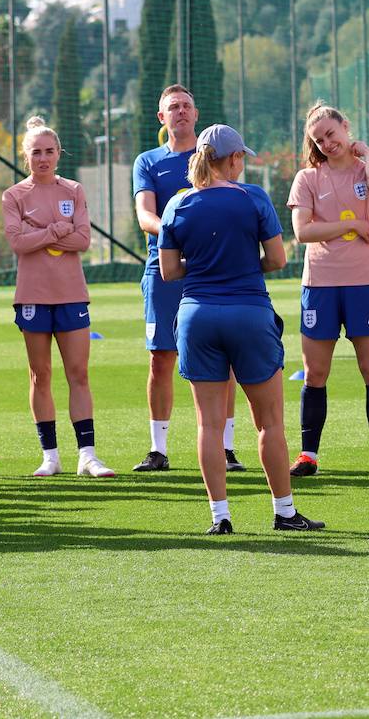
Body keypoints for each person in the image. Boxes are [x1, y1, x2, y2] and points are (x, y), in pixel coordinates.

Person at [158, 124, 321, 534]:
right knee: (268, 422)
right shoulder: (253, 198)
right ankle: (284, 512)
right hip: (248, 312)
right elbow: (278, 259)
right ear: (232, 159)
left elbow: (169, 270)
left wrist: (207, 267)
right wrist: (243, 266)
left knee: (208, 424)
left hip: (197, 315)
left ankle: (221, 517)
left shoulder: (177, 205)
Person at [133, 86, 242, 474]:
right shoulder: (148, 161)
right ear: (161, 118)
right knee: (161, 358)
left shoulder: (211, 158)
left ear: (196, 115)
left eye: (186, 106)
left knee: (222, 360)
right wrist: (176, 236)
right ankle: (157, 449)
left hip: (210, 269)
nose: (180, 112)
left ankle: (227, 448)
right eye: (172, 108)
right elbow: (145, 214)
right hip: (162, 271)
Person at [3, 117, 114, 478]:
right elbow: (17, 243)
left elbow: (82, 239)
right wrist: (54, 230)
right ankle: (50, 456)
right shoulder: (14, 195)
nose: (43, 158)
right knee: (41, 374)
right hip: (33, 295)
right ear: (26, 155)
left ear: (58, 153)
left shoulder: (73, 190)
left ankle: (88, 455)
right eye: (36, 152)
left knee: (79, 373)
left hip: (71, 294)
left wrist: (40, 233)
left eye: (49, 151)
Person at [286, 103, 369, 477]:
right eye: (320, 140)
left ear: (345, 127)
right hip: (320, 284)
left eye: (332, 134)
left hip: (363, 282)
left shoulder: (365, 170)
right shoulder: (307, 178)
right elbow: (303, 232)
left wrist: (366, 151)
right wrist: (353, 228)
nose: (327, 143)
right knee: (315, 372)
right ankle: (308, 455)